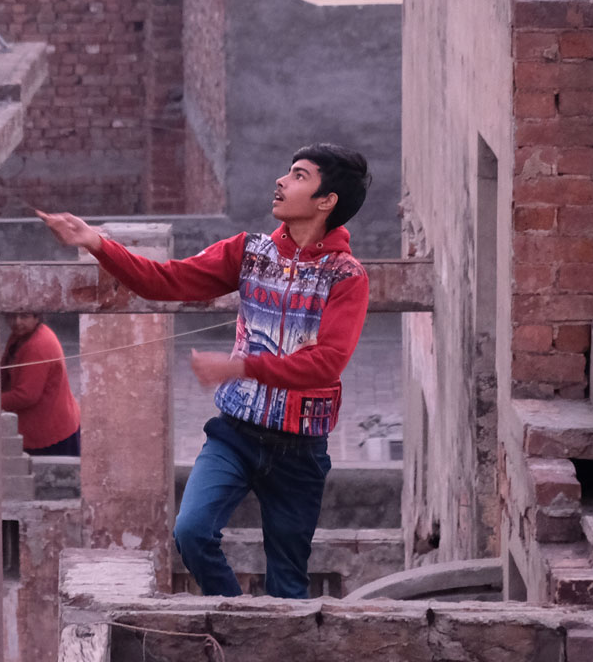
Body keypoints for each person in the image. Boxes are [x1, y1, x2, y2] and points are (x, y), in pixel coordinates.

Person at [37, 142, 371, 599]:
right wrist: (95, 242)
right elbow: (166, 280)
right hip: (234, 435)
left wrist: (241, 367)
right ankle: (238, 619)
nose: (280, 181)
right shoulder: (249, 252)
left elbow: (327, 363)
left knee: (289, 581)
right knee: (191, 534)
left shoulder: (346, 276)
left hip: (301, 449)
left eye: (298, 175)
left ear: (326, 201)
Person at [0, 312, 82, 457]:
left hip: (51, 433)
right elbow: (4, 370)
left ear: (37, 317)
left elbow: (26, 396)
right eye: (12, 316)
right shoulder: (19, 336)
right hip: (47, 424)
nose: (17, 322)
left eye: (24, 316)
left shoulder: (37, 346)